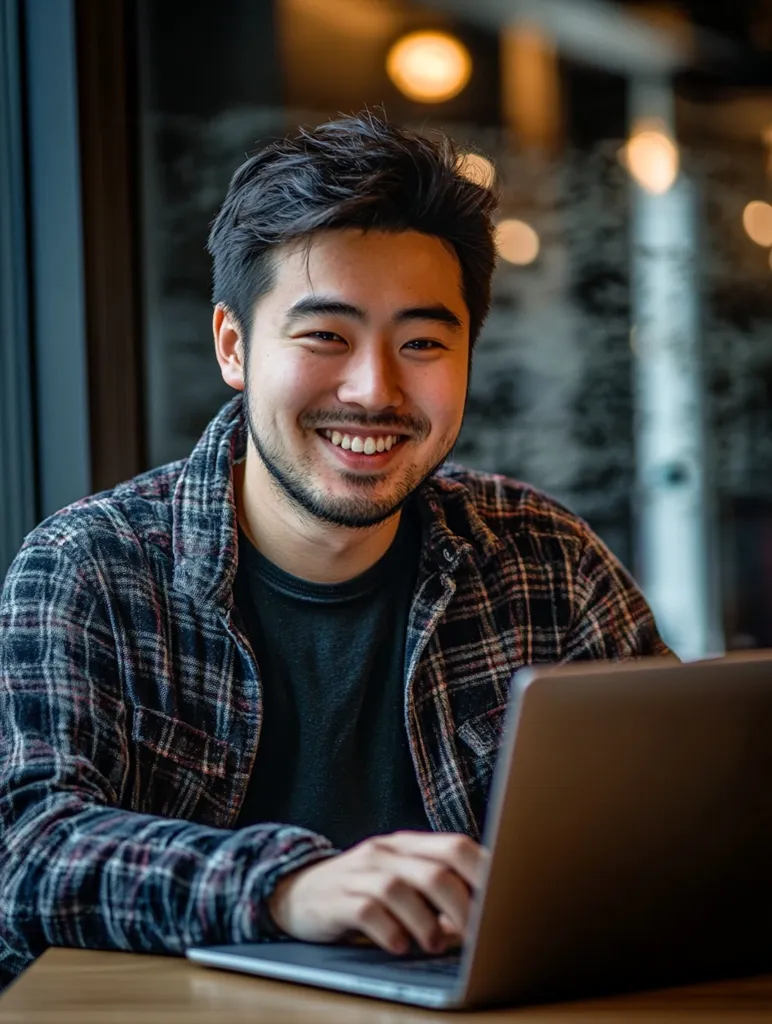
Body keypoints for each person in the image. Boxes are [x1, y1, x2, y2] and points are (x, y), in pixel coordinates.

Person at [0, 112, 670, 987]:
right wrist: (292, 885)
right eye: (325, 335)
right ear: (234, 346)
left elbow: (682, 825)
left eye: (424, 343)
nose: (375, 389)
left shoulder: (546, 560)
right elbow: (25, 852)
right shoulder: (93, 563)